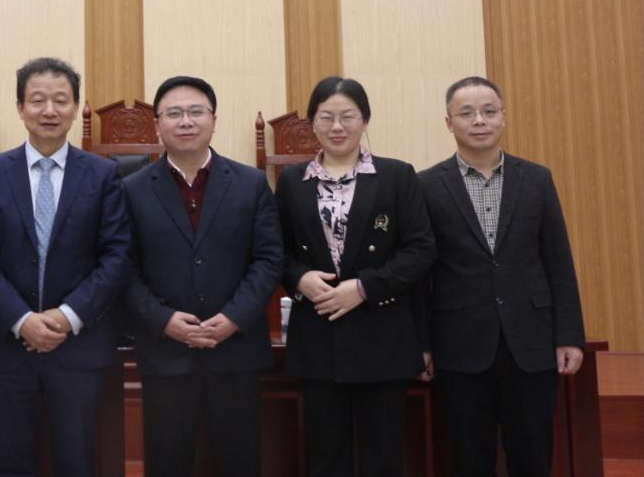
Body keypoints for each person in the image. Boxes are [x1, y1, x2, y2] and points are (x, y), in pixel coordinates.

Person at [0, 57, 131, 477]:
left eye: (61, 100)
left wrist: (65, 316)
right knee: (10, 462)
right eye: (37, 100)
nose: (49, 110)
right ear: (20, 108)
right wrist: (23, 321)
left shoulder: (103, 174)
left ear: (75, 108)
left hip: (78, 346)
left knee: (77, 462)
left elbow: (116, 256)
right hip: (8, 347)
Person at [419, 76, 584, 477]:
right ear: (449, 122)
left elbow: (558, 262)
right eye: (467, 113)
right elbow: (420, 275)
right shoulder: (426, 185)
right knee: (469, 458)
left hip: (531, 342)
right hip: (459, 345)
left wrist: (569, 335)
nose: (479, 121)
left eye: (489, 111)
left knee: (532, 455)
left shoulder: (537, 179)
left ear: (503, 117)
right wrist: (421, 344)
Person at [123, 75, 283, 477]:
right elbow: (122, 269)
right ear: (157, 124)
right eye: (174, 113)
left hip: (236, 352)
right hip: (166, 355)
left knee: (240, 464)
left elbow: (268, 260)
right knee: (166, 465)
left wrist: (233, 318)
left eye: (196, 112)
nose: (186, 121)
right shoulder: (130, 190)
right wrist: (163, 320)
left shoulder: (250, 184)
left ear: (214, 120)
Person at [275, 76, 434, 477]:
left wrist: (364, 287)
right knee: (326, 456)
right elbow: (276, 250)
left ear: (365, 120)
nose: (337, 126)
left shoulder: (397, 176)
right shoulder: (292, 181)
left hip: (383, 334)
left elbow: (420, 249)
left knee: (383, 455)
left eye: (348, 116)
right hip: (318, 336)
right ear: (311, 122)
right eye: (326, 117)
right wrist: (299, 278)